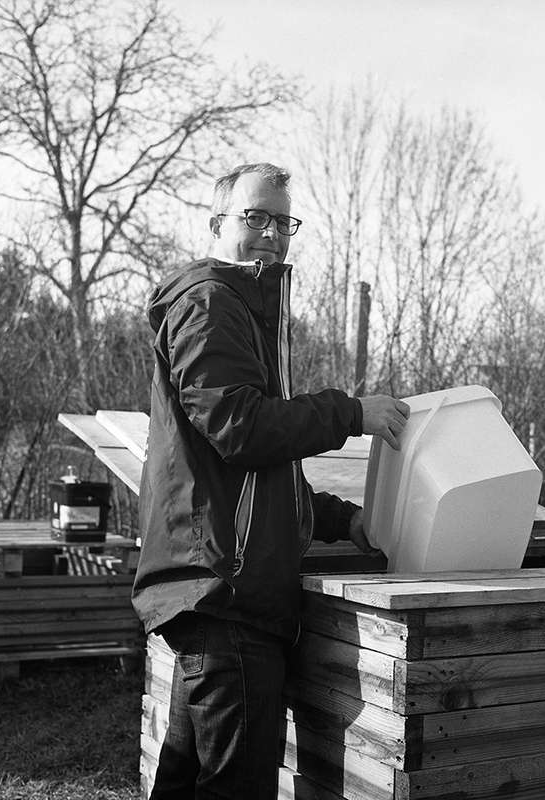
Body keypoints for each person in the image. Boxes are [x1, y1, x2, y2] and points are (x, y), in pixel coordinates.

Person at [132, 162, 410, 799]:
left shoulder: (243, 311)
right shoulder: (210, 303)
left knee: (186, 779)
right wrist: (350, 413)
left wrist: (346, 521)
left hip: (220, 592)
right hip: (227, 593)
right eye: (254, 217)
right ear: (217, 223)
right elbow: (241, 427)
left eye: (283, 222)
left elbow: (255, 477)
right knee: (236, 789)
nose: (271, 233)